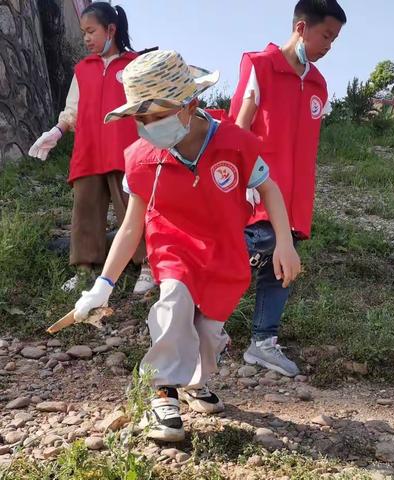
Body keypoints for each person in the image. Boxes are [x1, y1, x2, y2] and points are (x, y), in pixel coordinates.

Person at [73, 50, 301, 442]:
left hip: (225, 252)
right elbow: (131, 227)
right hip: (173, 245)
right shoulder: (143, 158)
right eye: (139, 119)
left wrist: (285, 242)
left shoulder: (235, 144)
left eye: (155, 117)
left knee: (209, 330)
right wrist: (103, 285)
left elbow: (269, 189)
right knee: (174, 302)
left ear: (189, 104)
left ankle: (196, 380)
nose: (146, 128)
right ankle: (161, 390)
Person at [229, 0, 346, 377]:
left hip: (296, 197)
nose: (329, 45)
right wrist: (243, 175)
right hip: (259, 189)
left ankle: (263, 343)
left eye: (335, 39)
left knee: (282, 267)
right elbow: (241, 125)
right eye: (326, 35)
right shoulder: (260, 65)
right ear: (301, 27)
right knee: (251, 246)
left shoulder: (317, 84)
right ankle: (198, 318)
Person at [28, 2, 154, 294]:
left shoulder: (134, 65)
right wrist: (56, 132)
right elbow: (72, 110)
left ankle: (146, 264)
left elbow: (147, 108)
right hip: (88, 150)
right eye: (83, 32)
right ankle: (85, 270)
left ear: (111, 29)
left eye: (91, 31)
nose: (85, 38)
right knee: (85, 211)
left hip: (126, 152)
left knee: (132, 209)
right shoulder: (83, 69)